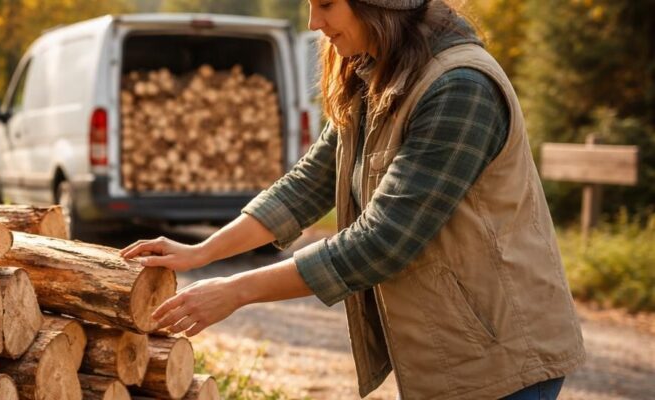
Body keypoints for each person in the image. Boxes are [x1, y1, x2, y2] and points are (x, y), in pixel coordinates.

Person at [119, 0, 586, 398]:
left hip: (503, 352)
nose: (312, 23)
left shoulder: (459, 89)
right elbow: (310, 184)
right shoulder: (378, 69)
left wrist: (236, 290)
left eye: (326, 4)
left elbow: (382, 240)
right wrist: (202, 252)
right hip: (453, 350)